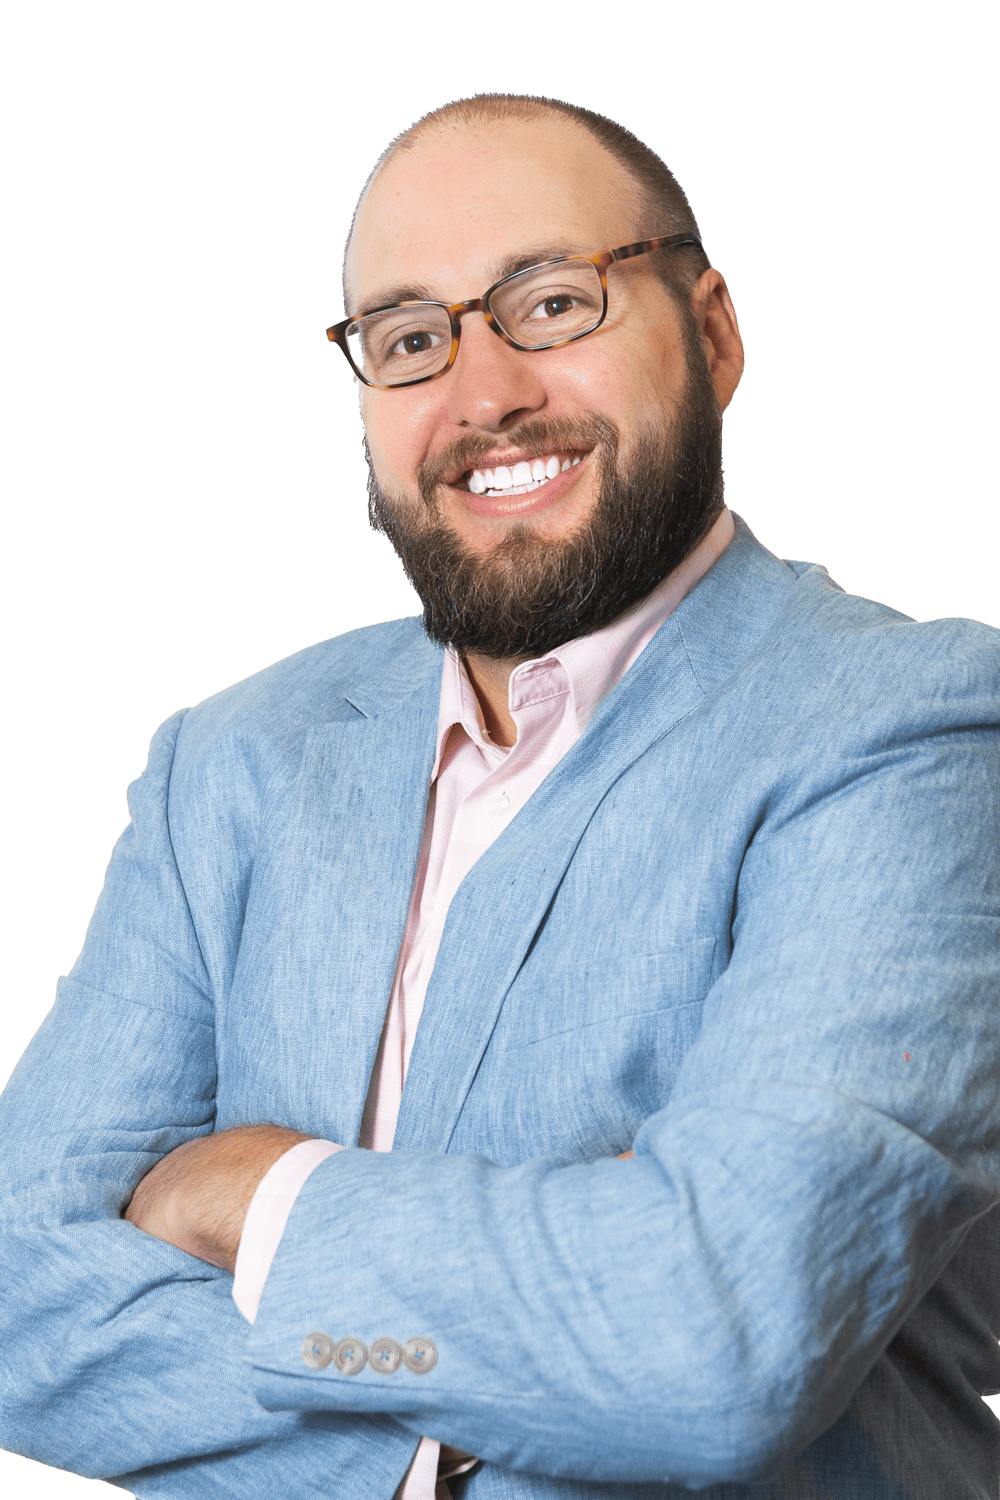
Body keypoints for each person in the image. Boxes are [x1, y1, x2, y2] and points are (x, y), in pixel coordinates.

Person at [1, 91, 997, 1500]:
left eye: (550, 302)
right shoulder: (226, 762)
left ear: (712, 333)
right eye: (413, 339)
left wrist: (261, 1196)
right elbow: (14, 1291)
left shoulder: (916, 731)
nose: (484, 395)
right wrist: (483, 1422)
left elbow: (718, 1339)